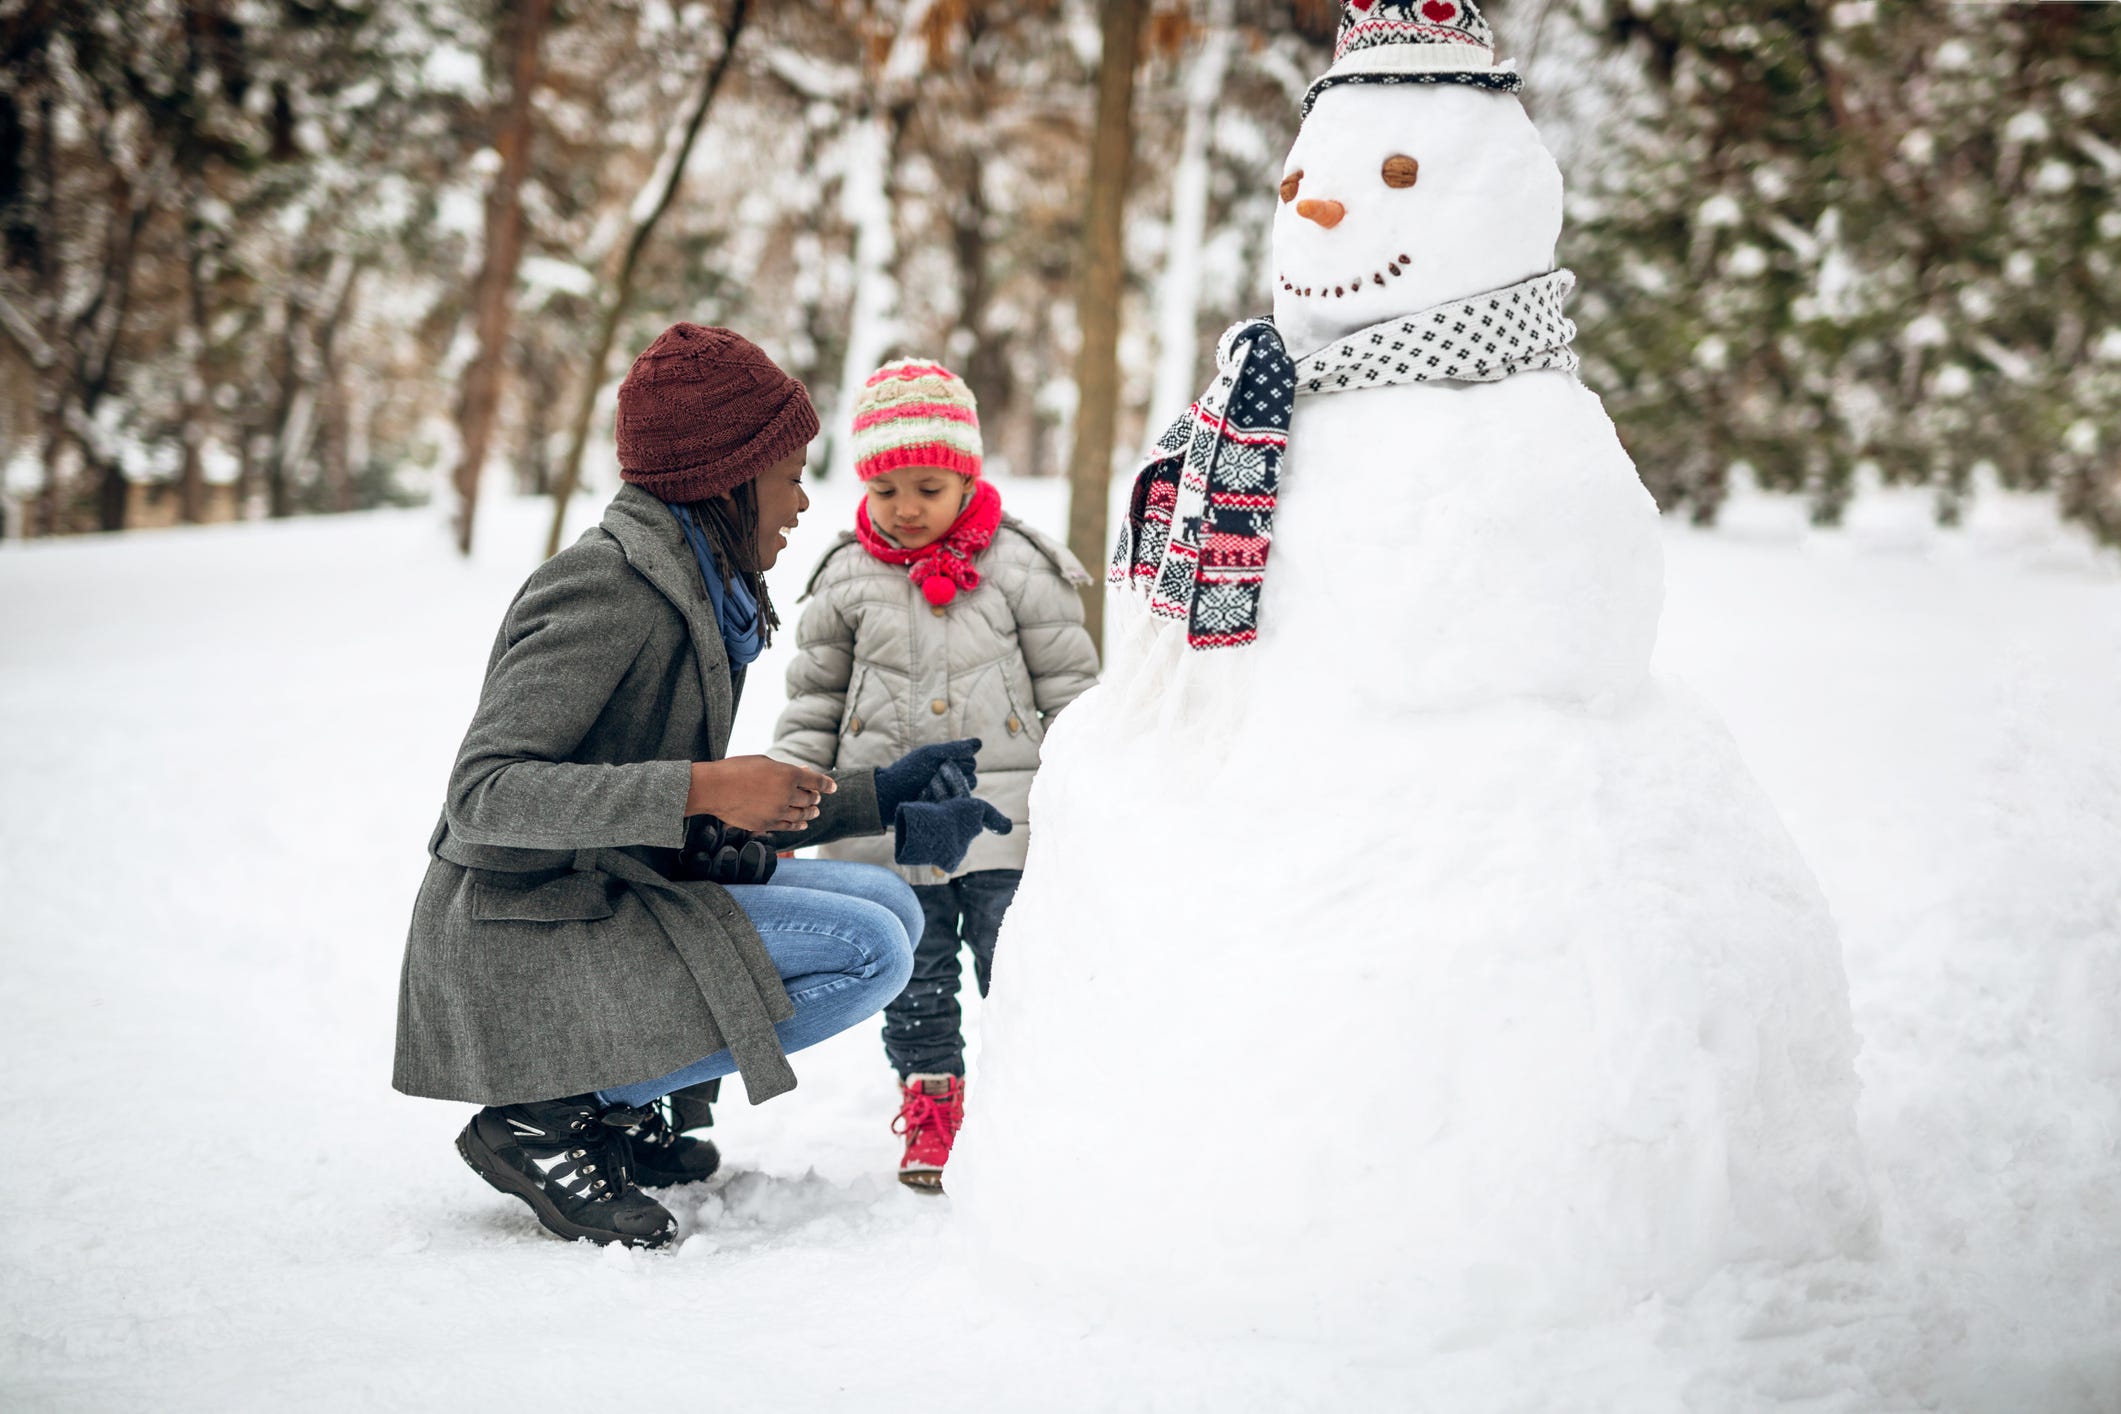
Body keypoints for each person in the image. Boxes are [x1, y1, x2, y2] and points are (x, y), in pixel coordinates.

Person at [393, 324, 1011, 1248]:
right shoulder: (604, 588)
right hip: (525, 931)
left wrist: (880, 797)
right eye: (788, 475)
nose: (803, 502)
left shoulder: (696, 583)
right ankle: (548, 1111)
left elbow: (709, 807)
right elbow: (484, 797)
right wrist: (698, 787)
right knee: (869, 948)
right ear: (724, 478)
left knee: (892, 903)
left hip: (606, 892)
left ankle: (605, 1105)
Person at [772, 358, 1099, 1190]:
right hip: (888, 827)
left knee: (1014, 962)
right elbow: (813, 703)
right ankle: (931, 1102)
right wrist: (789, 793)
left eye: (926, 487)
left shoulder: (1023, 567)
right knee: (916, 976)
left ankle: (1034, 1104)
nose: (905, 508)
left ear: (964, 477)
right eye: (886, 491)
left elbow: (1071, 695)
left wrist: (1088, 796)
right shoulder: (844, 576)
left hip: (1004, 820)